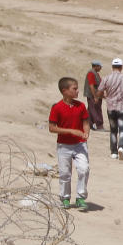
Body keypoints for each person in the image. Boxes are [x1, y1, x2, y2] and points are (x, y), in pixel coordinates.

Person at [48, 76, 90, 210]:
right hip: (64, 145)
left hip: (80, 144)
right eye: (75, 89)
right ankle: (65, 198)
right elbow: (52, 128)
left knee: (84, 169)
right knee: (65, 173)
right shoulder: (57, 108)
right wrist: (71, 131)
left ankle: (80, 198)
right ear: (65, 91)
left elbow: (86, 122)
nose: (78, 91)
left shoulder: (81, 106)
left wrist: (86, 132)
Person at [96, 58, 123, 160]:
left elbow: (99, 92)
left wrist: (105, 96)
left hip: (111, 107)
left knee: (113, 130)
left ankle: (113, 152)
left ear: (112, 67)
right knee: (122, 130)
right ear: (121, 67)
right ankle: (121, 147)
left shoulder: (106, 78)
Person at [83, 61, 103, 131]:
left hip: (95, 95)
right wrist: (95, 96)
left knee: (90, 110)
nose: (101, 68)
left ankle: (89, 124)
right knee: (95, 110)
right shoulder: (91, 73)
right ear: (96, 66)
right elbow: (91, 86)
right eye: (100, 67)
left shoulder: (95, 74)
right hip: (92, 95)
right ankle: (99, 125)